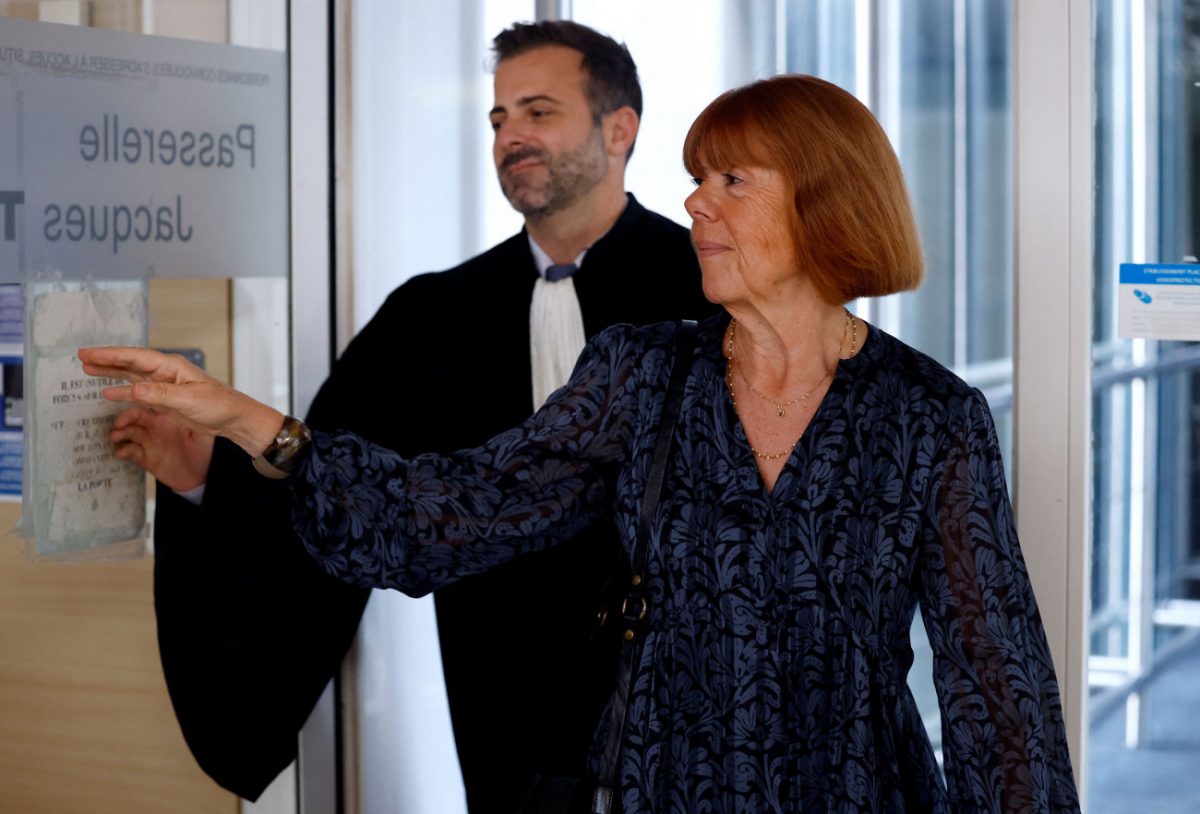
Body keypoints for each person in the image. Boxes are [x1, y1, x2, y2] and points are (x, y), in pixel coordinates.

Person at [83, 74, 1082, 813]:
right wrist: (247, 420)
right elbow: (448, 515)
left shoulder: (930, 415)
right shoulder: (644, 374)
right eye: (695, 178)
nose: (695, 201)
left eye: (732, 179)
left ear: (825, 202)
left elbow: (1001, 698)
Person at [133, 20, 714, 809]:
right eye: (499, 118)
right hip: (506, 712)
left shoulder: (702, 290)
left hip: (692, 708)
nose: (510, 136)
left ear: (620, 130)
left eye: (539, 112)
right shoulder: (434, 316)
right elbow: (339, 484)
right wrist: (207, 474)